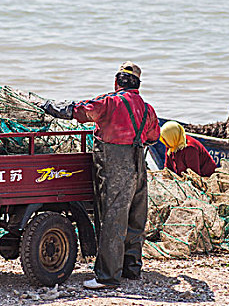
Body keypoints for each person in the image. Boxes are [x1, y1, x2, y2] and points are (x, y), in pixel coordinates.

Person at [40, 61, 160, 289]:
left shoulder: (110, 102)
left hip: (115, 167)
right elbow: (154, 137)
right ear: (138, 85)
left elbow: (80, 111)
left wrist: (48, 107)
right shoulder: (147, 108)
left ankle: (107, 276)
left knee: (113, 219)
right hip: (139, 166)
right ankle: (131, 269)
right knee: (136, 216)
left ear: (117, 82)